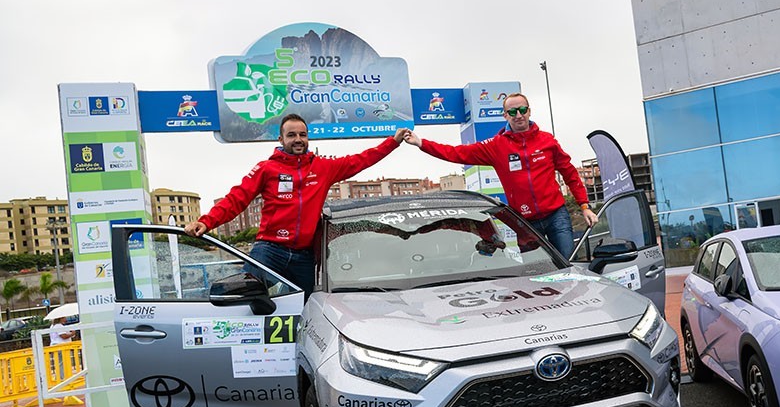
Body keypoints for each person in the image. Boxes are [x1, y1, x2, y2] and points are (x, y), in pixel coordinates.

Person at [186, 114, 410, 297]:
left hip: (304, 256)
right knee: (248, 294)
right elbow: (237, 198)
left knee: (309, 308)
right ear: (281, 139)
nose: (298, 139)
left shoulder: (324, 168)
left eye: (302, 134)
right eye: (291, 135)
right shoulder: (267, 169)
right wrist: (206, 222)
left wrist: (393, 142)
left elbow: (362, 159)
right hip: (270, 249)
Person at [403, 93, 599, 257]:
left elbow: (570, 173)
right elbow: (456, 153)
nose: (518, 115)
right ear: (505, 115)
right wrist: (422, 143)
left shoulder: (547, 141)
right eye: (512, 112)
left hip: (556, 215)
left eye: (522, 110)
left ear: (529, 111)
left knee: (567, 265)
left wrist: (584, 206)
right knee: (535, 272)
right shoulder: (496, 146)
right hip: (525, 222)